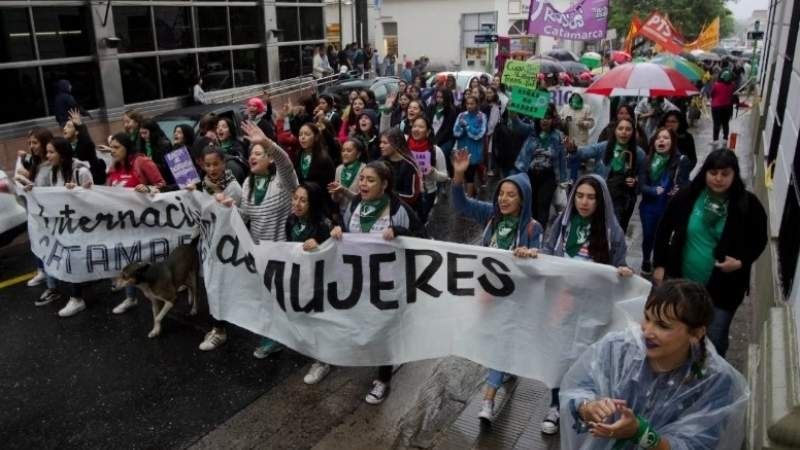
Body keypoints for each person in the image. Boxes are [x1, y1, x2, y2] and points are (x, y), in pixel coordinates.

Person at [560, 279, 749, 450]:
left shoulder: (714, 381)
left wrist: (641, 434)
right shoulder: (618, 348)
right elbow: (578, 388)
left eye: (663, 325)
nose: (647, 331)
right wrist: (588, 407)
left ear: (697, 333)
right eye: (647, 318)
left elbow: (696, 445)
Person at [450, 149, 542, 425]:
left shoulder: (532, 228)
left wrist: (530, 255)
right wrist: (459, 173)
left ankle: (488, 400)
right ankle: (507, 369)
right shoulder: (490, 216)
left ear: (523, 200)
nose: (503, 199)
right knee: (497, 343)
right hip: (487, 295)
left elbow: (540, 264)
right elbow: (461, 204)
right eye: (501, 193)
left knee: (499, 346)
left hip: (515, 301)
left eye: (511, 195)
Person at [540, 174, 633, 434]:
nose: (584, 202)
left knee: (585, 359)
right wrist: (535, 257)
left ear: (600, 201)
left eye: (591, 197)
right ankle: (556, 405)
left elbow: (619, 264)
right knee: (560, 357)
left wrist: (623, 270)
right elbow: (548, 250)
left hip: (593, 310)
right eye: (579, 196)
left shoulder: (611, 231)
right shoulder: (564, 223)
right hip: (562, 305)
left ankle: (583, 406)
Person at [653, 149, 768, 357]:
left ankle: (709, 377)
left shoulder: (747, 204)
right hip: (682, 284)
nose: (718, 179)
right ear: (705, 172)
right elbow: (663, 229)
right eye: (713, 173)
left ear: (734, 175)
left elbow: (759, 240)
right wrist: (660, 265)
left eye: (725, 174)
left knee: (714, 339)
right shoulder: (688, 196)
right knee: (680, 330)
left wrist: (741, 262)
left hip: (724, 290)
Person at [330, 160, 427, 404]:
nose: (363, 183)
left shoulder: (398, 210)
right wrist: (337, 230)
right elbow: (345, 228)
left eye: (370, 180)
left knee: (384, 331)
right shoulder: (353, 204)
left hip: (388, 285)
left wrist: (400, 232)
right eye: (362, 179)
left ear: (384, 185)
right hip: (359, 282)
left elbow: (422, 239)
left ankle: (383, 380)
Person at [27, 137, 94, 316]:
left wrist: (77, 192)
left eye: (51, 152)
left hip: (80, 226)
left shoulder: (81, 171)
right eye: (47, 152)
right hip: (63, 226)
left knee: (72, 259)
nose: (47, 156)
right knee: (68, 259)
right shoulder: (53, 171)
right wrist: (33, 190)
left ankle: (77, 299)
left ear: (62, 154)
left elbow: (94, 199)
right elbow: (51, 195)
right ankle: (76, 293)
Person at [101, 132, 166, 315]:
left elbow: (162, 184)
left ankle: (160, 295)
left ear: (127, 147)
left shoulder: (141, 162)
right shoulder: (113, 168)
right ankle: (131, 298)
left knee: (147, 261)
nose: (112, 151)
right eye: (111, 147)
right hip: (122, 226)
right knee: (126, 261)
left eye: (116, 147)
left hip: (144, 225)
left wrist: (149, 189)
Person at [567, 118, 645, 232]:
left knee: (613, 231)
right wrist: (573, 149)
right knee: (595, 228)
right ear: (615, 131)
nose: (624, 132)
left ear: (633, 133)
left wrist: (635, 182)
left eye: (628, 129)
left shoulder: (639, 153)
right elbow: (584, 152)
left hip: (621, 200)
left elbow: (643, 177)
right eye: (620, 128)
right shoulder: (604, 146)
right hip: (600, 194)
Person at [638, 128, 691, 275]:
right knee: (648, 235)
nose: (661, 140)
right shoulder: (646, 160)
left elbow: (684, 184)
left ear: (672, 142)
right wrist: (653, 190)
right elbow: (641, 185)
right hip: (648, 207)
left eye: (666, 138)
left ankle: (659, 261)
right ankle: (646, 259)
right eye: (658, 138)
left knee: (662, 237)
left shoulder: (681, 161)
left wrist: (678, 189)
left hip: (668, 207)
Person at [512, 104, 568, 230]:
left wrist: (563, 180)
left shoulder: (558, 136)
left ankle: (539, 233)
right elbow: (517, 125)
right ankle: (528, 231)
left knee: (543, 203)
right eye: (542, 117)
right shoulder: (531, 130)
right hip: (529, 174)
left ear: (552, 120)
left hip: (549, 176)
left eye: (548, 117)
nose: (544, 120)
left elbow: (562, 158)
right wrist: (513, 112)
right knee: (530, 204)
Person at [18, 127, 53, 288]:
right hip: (38, 213)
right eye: (30, 143)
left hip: (50, 214)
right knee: (39, 242)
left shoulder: (50, 164)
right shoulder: (36, 161)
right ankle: (43, 272)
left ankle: (55, 286)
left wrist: (25, 179)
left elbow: (48, 189)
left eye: (35, 142)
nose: (31, 146)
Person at [407, 116, 449, 222]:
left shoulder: (436, 151)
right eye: (415, 126)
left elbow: (444, 176)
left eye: (421, 127)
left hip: (426, 193)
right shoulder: (404, 147)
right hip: (406, 191)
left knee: (420, 221)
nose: (416, 129)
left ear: (428, 131)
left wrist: (432, 172)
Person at [452, 95, 487, 197]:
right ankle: (470, 193)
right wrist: (462, 129)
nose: (469, 106)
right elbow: (455, 132)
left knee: (470, 175)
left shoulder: (481, 116)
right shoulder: (461, 115)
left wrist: (467, 127)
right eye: (467, 104)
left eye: (472, 104)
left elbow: (479, 134)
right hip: (462, 149)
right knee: (464, 174)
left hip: (475, 151)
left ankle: (469, 198)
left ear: (477, 104)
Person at [379, 127, 422, 208]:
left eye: (385, 143)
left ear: (396, 144)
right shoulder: (380, 162)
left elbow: (411, 196)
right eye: (381, 142)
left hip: (403, 209)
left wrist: (386, 193)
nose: (381, 145)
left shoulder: (409, 166)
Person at [63, 109, 106, 185]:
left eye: (69, 126)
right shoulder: (67, 146)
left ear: (77, 132)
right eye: (65, 126)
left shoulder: (85, 144)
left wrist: (80, 125)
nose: (64, 128)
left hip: (93, 180)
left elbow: (88, 142)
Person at [328, 138, 366, 218]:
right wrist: (335, 192)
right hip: (342, 212)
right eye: (343, 151)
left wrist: (343, 190)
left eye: (349, 151)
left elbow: (361, 198)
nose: (345, 153)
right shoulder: (339, 169)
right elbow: (336, 200)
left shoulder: (364, 169)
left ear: (358, 154)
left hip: (359, 211)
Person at [428, 88, 458, 174]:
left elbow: (448, 129)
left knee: (441, 153)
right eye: (437, 97)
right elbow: (428, 122)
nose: (439, 99)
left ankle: (446, 172)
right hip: (432, 137)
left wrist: (437, 141)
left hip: (446, 139)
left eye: (441, 97)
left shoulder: (451, 110)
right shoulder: (431, 108)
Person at [139, 118, 174, 185]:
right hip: (149, 180)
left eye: (145, 133)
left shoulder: (164, 144)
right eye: (141, 133)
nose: (142, 136)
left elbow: (167, 167)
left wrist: (149, 164)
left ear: (152, 131)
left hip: (164, 180)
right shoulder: (142, 143)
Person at [216, 117, 248, 183]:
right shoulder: (216, 147)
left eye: (224, 127)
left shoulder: (238, 147)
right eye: (218, 127)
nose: (220, 129)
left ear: (230, 131)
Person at [709, 70, 737, 146]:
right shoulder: (732, 86)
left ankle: (715, 140)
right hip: (727, 107)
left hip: (716, 107)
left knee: (716, 123)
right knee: (725, 123)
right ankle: (725, 138)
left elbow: (712, 94)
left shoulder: (716, 85)